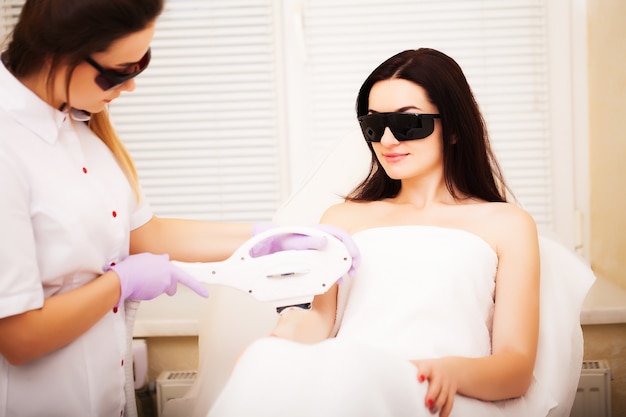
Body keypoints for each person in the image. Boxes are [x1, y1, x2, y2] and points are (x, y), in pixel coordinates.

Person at [0, 1, 359, 416]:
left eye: (142, 63)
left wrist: (268, 236)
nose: (131, 86)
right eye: (120, 72)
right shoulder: (9, 148)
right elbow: (18, 337)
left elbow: (146, 235)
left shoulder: (80, 124)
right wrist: (120, 285)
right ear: (58, 51)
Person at [205, 48, 557, 417]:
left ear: (453, 128)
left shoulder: (507, 224)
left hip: (441, 396)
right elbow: (321, 322)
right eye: (374, 125)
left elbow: (515, 368)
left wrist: (449, 370)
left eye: (407, 124)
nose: (387, 140)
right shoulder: (344, 218)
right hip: (348, 384)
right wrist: (281, 340)